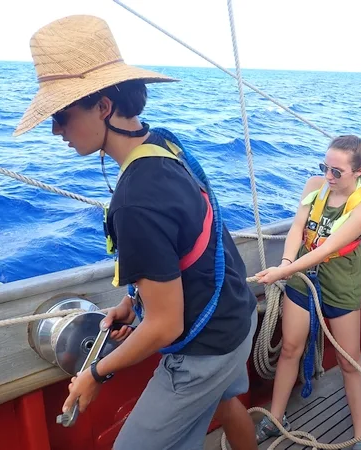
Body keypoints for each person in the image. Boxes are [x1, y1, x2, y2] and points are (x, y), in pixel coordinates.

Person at [13, 15, 259, 450]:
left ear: (104, 106)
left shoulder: (136, 197)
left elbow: (165, 326)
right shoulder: (162, 145)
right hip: (237, 317)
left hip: (206, 347)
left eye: (61, 115)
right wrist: (133, 301)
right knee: (224, 404)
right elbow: (188, 247)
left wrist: (93, 374)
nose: (56, 131)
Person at [253, 135, 361, 449]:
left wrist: (282, 271)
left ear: (359, 171)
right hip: (301, 280)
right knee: (291, 348)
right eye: (326, 167)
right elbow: (298, 228)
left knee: (349, 361)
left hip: (341, 286)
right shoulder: (314, 186)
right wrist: (286, 262)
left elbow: (328, 249)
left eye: (337, 172)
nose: (329, 176)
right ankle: (275, 419)